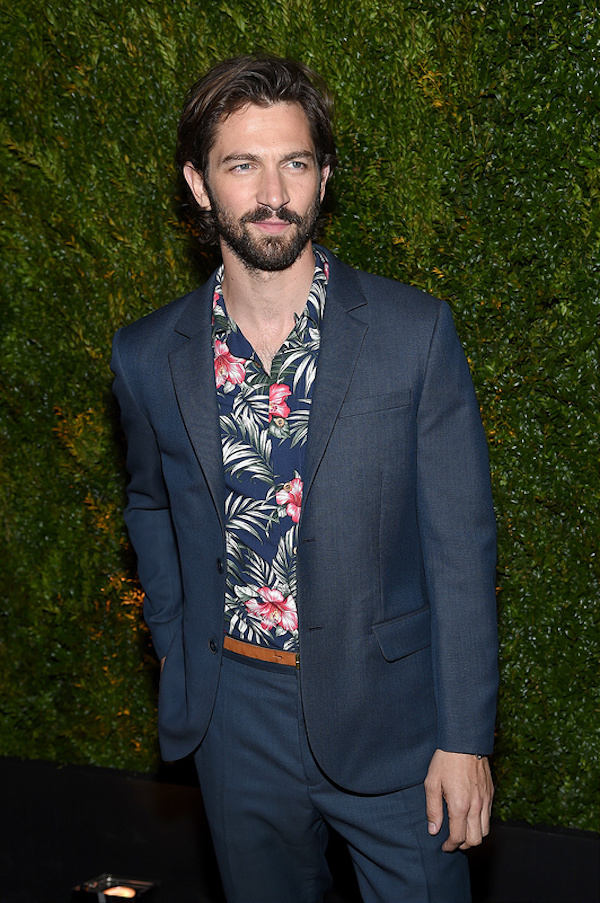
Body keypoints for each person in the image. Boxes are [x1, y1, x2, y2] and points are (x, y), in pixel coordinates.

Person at [111, 54, 498, 903]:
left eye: (294, 161)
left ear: (324, 176)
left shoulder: (413, 332)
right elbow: (148, 503)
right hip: (235, 716)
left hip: (397, 718)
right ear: (200, 184)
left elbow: (462, 547)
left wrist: (466, 737)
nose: (273, 191)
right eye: (242, 164)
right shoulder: (146, 356)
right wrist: (180, 648)